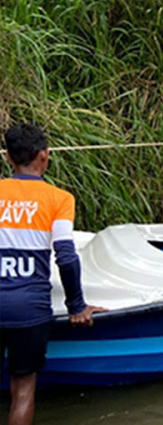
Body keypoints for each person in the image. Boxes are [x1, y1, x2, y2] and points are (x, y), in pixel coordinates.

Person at [1, 122, 106, 425]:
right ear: (45, 156)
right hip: (27, 310)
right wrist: (76, 306)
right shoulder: (59, 199)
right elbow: (66, 256)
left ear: (9, 158)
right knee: (22, 390)